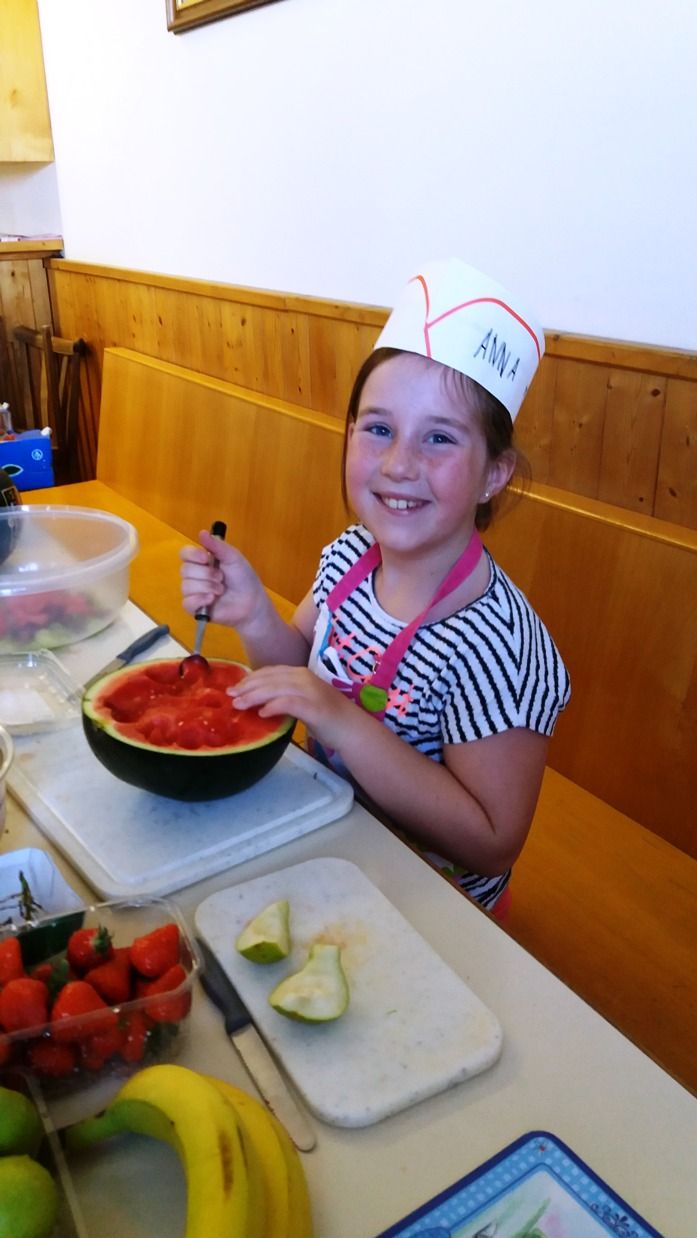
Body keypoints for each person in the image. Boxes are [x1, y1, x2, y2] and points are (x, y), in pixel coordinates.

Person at [180, 259, 570, 913]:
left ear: (493, 475)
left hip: (433, 904)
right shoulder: (347, 559)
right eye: (379, 429)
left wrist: (343, 720)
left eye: (438, 438)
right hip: (331, 840)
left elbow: (492, 842)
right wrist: (252, 614)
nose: (398, 464)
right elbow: (297, 674)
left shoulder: (498, 646)